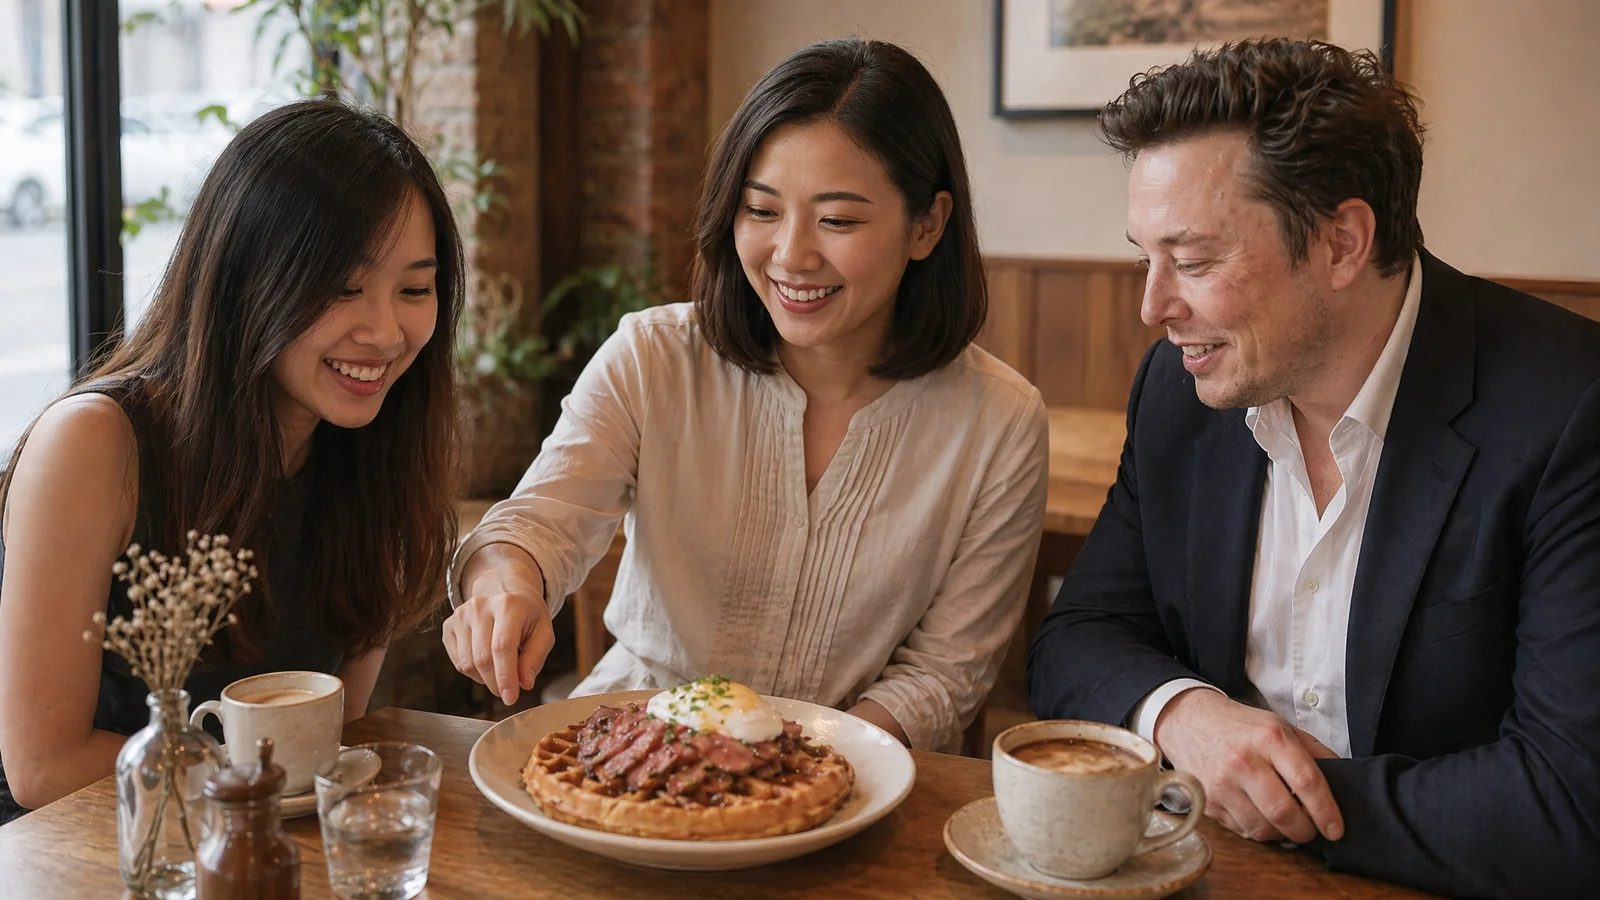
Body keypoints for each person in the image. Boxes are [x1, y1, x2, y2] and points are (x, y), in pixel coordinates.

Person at [1027, 38, 1600, 897]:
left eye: (1192, 261)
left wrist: (1281, 796)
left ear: (1341, 243)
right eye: (1145, 256)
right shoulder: (1181, 391)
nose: (1153, 306)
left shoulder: (1569, 410)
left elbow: (1568, 805)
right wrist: (1188, 717)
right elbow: (1079, 633)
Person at [442, 38, 1049, 753]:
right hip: (628, 749)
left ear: (927, 225)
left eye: (838, 220)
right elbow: (536, 525)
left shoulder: (999, 421)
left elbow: (943, 676)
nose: (790, 255)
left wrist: (792, 772)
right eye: (761, 211)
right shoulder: (653, 358)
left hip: (850, 768)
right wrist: (506, 585)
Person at [0, 99, 463, 822]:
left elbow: (334, 734)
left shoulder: (380, 458)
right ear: (249, 278)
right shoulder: (97, 445)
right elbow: (42, 766)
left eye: (414, 289)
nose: (384, 331)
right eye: (343, 286)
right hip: (84, 852)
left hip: (255, 847)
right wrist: (269, 782)